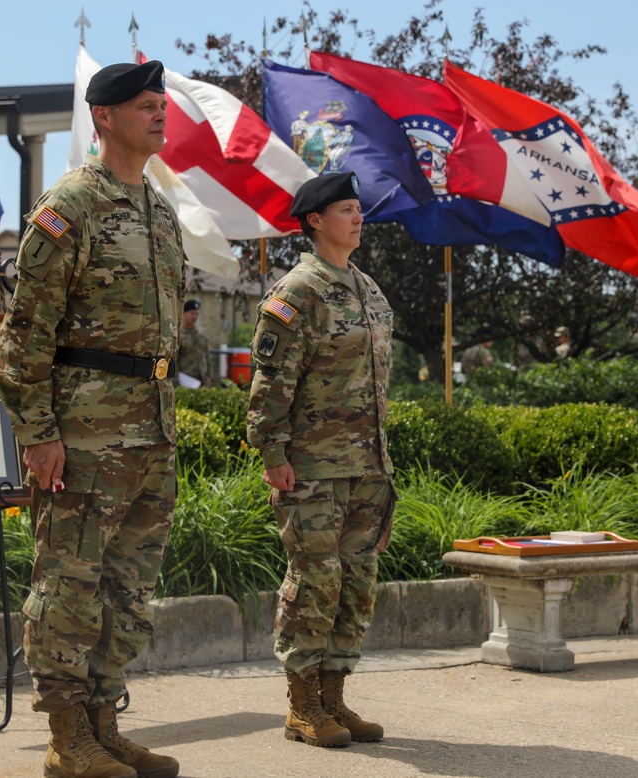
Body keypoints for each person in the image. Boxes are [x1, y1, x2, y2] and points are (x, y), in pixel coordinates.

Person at [0, 60, 183, 778]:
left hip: (151, 432)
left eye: (162, 105)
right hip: (85, 434)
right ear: (103, 117)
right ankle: (66, 737)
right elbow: (25, 333)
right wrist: (38, 436)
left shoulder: (159, 212)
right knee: (69, 584)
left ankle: (105, 726)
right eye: (144, 105)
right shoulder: (70, 203)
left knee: (127, 591)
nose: (160, 114)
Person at [247, 172, 395, 749]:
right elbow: (271, 382)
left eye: (360, 209)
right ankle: (302, 706)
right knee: (315, 581)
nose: (358, 218)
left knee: (357, 582)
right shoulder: (297, 293)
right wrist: (273, 452)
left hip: (367, 466)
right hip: (310, 466)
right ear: (315, 221)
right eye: (346, 210)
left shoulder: (368, 289)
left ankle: (335, 698)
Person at [176, 299, 211, 387]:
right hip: (185, 380)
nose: (194, 316)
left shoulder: (201, 336)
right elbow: (174, 362)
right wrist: (176, 383)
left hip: (202, 381)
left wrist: (209, 376)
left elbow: (207, 357)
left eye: (196, 314)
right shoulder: (178, 336)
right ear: (183, 314)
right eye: (192, 313)